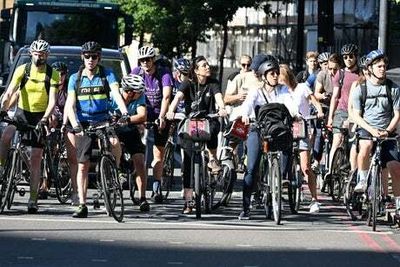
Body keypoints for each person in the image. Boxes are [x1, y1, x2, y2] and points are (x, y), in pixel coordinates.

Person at [65, 41, 129, 218]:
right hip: (84, 123)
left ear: (99, 58)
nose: (90, 60)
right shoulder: (74, 78)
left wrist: (124, 112)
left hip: (103, 119)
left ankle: (115, 170)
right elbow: (70, 105)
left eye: (94, 57)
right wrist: (75, 124)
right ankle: (82, 204)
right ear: (82, 58)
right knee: (83, 165)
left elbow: (116, 93)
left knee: (115, 142)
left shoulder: (106, 74)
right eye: (87, 56)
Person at [0, 39, 59, 213]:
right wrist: (3, 108)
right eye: (36, 54)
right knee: (6, 135)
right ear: (31, 54)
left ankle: (33, 199)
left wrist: (45, 118)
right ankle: (2, 166)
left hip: (39, 116)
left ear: (46, 55)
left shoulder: (52, 73)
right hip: (22, 113)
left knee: (35, 159)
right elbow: (10, 91)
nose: (38, 57)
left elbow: (53, 100)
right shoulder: (23, 69)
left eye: (42, 54)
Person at [166, 56, 227, 214]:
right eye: (203, 65)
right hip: (190, 123)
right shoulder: (187, 83)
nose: (207, 67)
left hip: (208, 120)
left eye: (207, 64)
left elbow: (219, 98)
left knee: (214, 127)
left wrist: (222, 108)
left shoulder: (213, 83)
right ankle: (188, 201)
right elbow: (177, 97)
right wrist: (171, 111)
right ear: (196, 70)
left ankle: (212, 158)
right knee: (187, 164)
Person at [237, 55, 292, 220]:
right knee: (251, 168)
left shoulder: (283, 90)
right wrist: (245, 115)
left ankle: (281, 177)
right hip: (258, 130)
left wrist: (296, 114)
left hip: (278, 130)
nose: (275, 75)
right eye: (271, 73)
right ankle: (246, 207)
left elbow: (291, 104)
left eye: (276, 72)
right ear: (263, 75)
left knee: (289, 145)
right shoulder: (256, 91)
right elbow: (247, 105)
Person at [350, 50, 400, 197]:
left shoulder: (393, 88)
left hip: (387, 131)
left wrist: (388, 131)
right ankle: (363, 180)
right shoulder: (361, 89)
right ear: (370, 68)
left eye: (384, 66)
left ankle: (398, 206)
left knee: (396, 168)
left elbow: (397, 114)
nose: (383, 68)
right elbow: (356, 116)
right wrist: (371, 130)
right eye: (379, 66)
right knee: (365, 146)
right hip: (367, 128)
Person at [279, 64, 324, 213]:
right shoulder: (280, 91)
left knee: (305, 166)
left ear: (287, 76)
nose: (278, 80)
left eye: (280, 77)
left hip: (302, 126)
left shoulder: (303, 88)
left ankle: (314, 200)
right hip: (286, 128)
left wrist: (319, 111)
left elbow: (314, 101)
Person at [131, 46, 173, 203]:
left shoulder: (164, 73)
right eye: (142, 60)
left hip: (158, 114)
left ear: (153, 60)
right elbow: (129, 91)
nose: (145, 63)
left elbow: (167, 96)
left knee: (157, 154)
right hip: (141, 113)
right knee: (138, 152)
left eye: (148, 60)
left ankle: (156, 186)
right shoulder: (136, 72)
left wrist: (162, 117)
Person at [111, 74, 150, 212]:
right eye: (137, 92)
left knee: (139, 161)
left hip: (130, 130)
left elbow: (142, 115)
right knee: (114, 145)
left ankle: (143, 197)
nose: (140, 94)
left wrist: (126, 120)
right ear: (129, 91)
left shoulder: (139, 96)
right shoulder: (113, 96)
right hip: (113, 130)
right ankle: (116, 172)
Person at [327, 44, 360, 173]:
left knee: (354, 143)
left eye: (351, 56)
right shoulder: (340, 74)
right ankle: (330, 171)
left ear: (356, 57)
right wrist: (330, 117)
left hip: (356, 113)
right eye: (345, 57)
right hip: (341, 111)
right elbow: (335, 97)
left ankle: (353, 173)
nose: (348, 59)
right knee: (337, 140)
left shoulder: (361, 74)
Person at [312, 53, 341, 170]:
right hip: (324, 107)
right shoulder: (322, 75)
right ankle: (316, 160)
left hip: (338, 108)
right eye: (329, 68)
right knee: (319, 134)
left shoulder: (342, 76)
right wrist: (323, 96)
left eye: (335, 69)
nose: (332, 72)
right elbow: (316, 94)